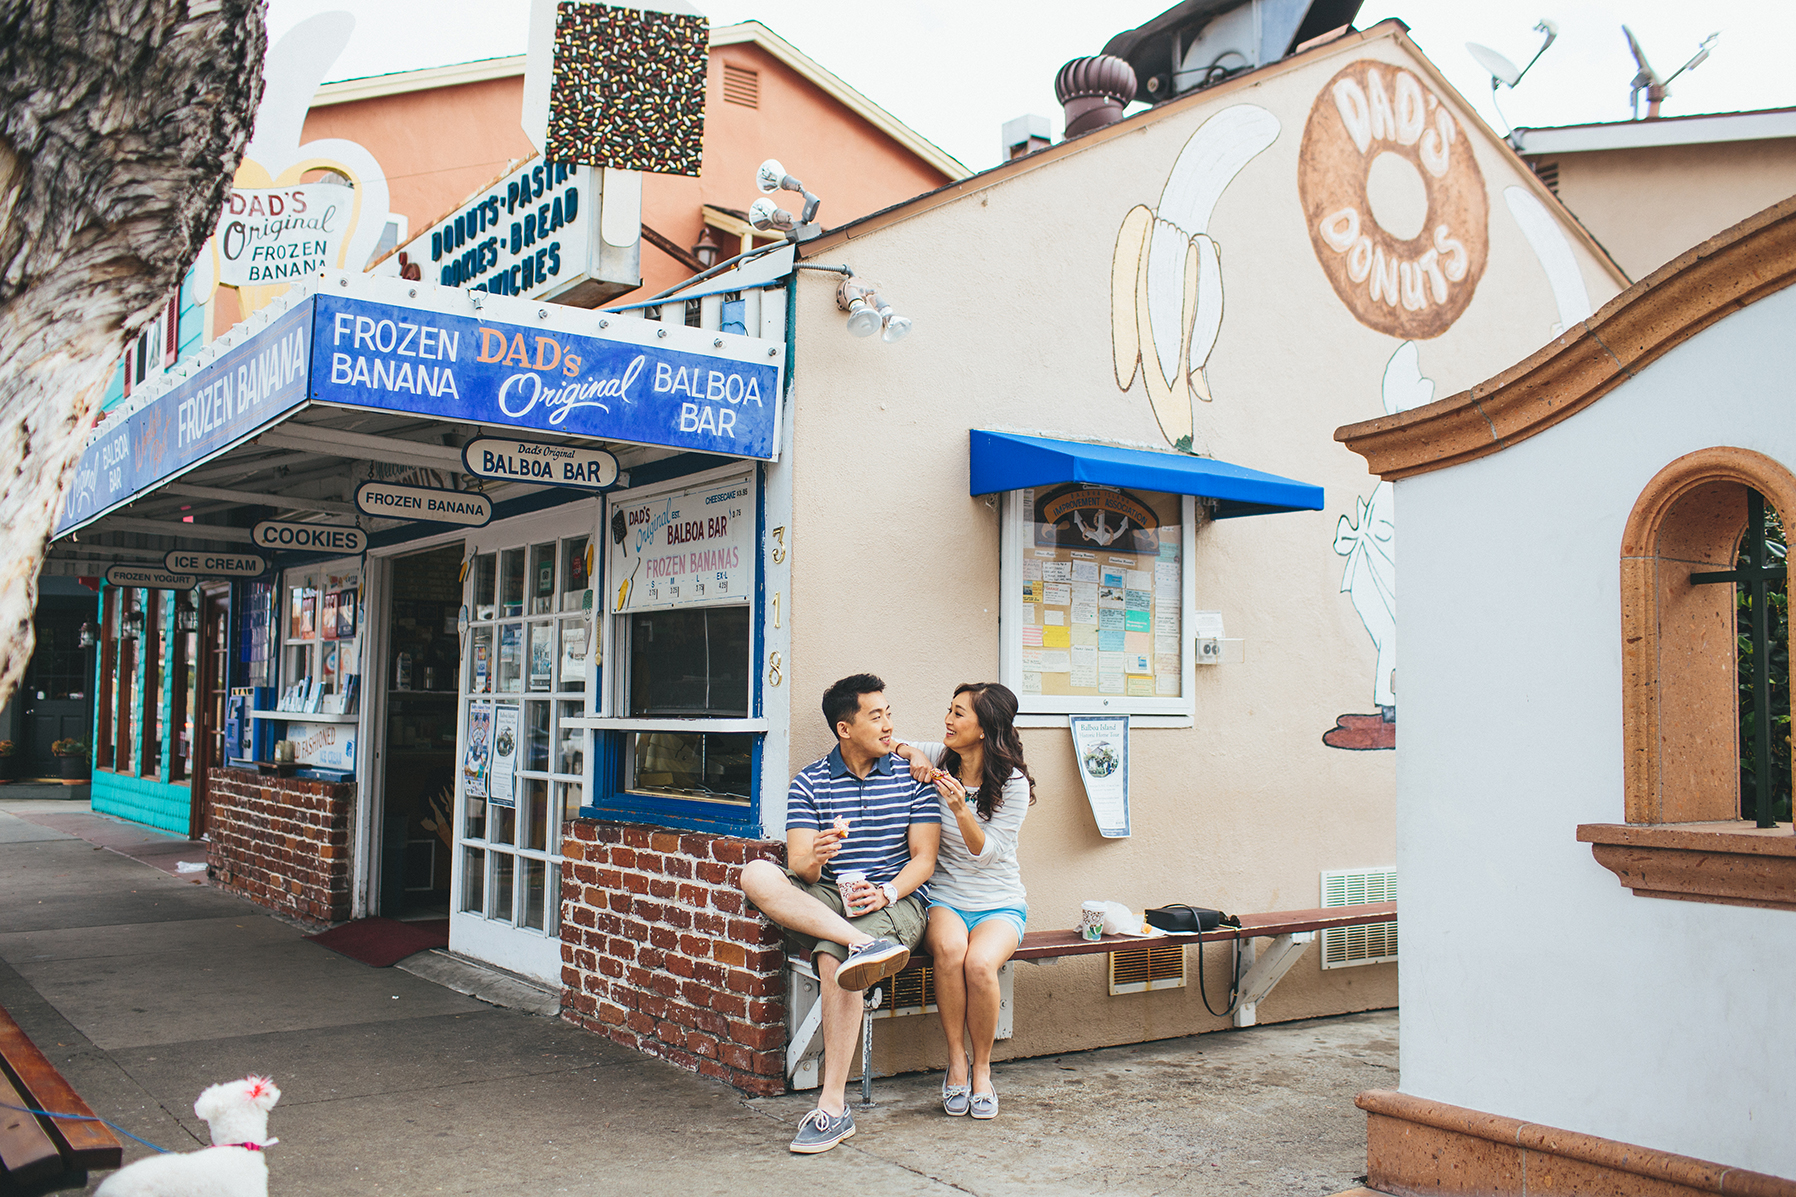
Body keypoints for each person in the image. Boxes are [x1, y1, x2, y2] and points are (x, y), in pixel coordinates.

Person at [739, 673, 941, 1154]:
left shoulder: (911, 775)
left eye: (889, 713)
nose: (888, 724)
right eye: (877, 716)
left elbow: (924, 860)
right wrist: (818, 855)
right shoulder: (809, 782)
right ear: (845, 728)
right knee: (755, 874)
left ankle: (833, 1108)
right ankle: (859, 943)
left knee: (834, 960)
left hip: (896, 901)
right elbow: (800, 869)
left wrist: (888, 892)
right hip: (830, 894)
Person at [894, 682, 1034, 1121]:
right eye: (949, 710)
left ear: (984, 729)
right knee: (952, 952)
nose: (948, 721)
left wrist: (960, 810)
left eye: (959, 714)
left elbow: (986, 851)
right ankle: (956, 1062)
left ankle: (983, 1072)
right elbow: (891, 743)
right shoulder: (941, 756)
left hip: (999, 900)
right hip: (946, 897)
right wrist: (912, 754)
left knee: (979, 965)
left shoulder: (1012, 783)